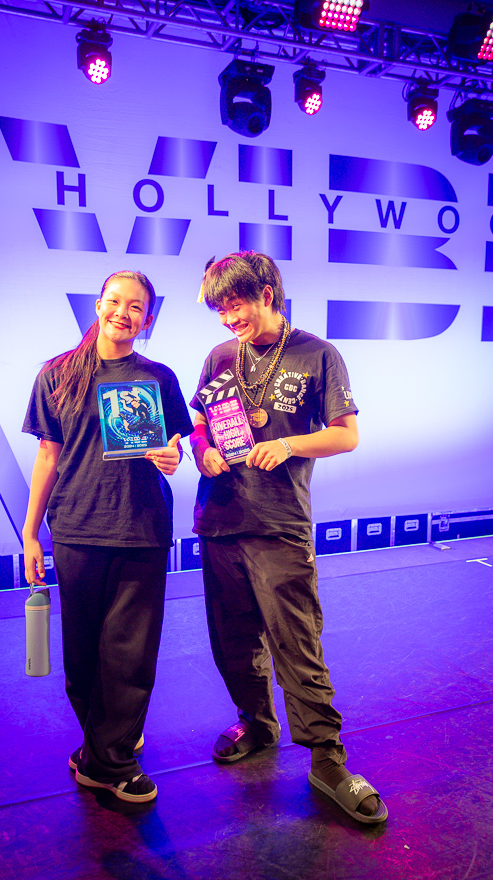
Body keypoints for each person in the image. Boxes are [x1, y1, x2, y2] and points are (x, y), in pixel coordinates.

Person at [189, 251, 388, 825]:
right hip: (220, 518)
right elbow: (199, 418)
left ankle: (327, 759)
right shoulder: (219, 356)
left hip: (279, 523)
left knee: (297, 643)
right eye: (220, 309)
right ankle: (256, 723)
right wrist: (200, 449)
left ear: (268, 294)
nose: (229, 318)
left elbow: (346, 435)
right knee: (233, 639)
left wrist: (288, 445)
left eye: (237, 305)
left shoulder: (317, 353)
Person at [22, 270, 193, 803]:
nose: (123, 312)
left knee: (130, 654)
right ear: (98, 305)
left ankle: (110, 761)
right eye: (115, 301)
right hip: (77, 526)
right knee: (81, 656)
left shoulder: (158, 378)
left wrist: (174, 456)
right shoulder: (58, 374)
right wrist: (30, 533)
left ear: (148, 318)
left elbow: (176, 446)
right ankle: (104, 745)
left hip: (142, 526)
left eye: (136, 306)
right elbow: (47, 456)